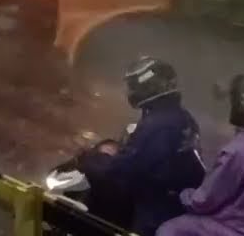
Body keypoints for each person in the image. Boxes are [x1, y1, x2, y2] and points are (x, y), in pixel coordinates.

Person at [80, 57, 207, 235]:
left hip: (157, 208)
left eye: (134, 86)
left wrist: (92, 160)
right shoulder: (181, 116)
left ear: (149, 87)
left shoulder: (157, 125)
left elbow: (124, 168)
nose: (130, 92)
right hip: (179, 198)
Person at [157, 75, 244, 236]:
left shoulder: (238, 152)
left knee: (168, 230)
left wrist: (183, 194)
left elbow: (204, 202)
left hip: (231, 228)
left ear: (242, 110)